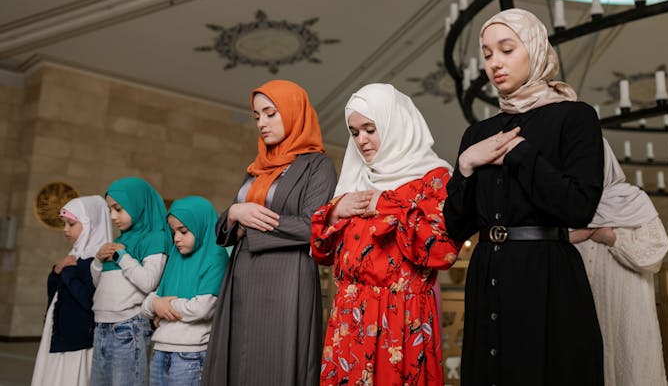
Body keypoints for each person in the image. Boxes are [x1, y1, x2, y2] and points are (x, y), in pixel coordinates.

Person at [444, 8, 605, 385]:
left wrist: (521, 154)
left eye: (506, 49)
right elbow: (454, 225)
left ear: (534, 50)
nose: (494, 63)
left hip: (547, 274)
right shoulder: (477, 134)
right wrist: (466, 165)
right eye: (487, 55)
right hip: (488, 273)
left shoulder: (575, 116)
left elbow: (579, 207)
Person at [311, 83, 459, 386]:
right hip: (350, 317)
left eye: (370, 129)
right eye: (355, 133)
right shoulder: (354, 177)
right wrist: (336, 212)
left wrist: (386, 205)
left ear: (394, 124)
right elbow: (322, 253)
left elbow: (443, 250)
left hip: (400, 319)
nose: (362, 141)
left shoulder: (434, 178)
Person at [201, 79, 337, 386]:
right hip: (242, 273)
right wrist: (235, 213)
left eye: (270, 113)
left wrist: (246, 222)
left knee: (276, 360)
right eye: (256, 116)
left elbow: (313, 225)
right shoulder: (257, 169)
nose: (262, 122)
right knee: (237, 360)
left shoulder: (317, 166)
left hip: (286, 277)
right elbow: (226, 225)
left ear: (292, 112)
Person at [570, 139, 668, 386]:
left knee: (631, 366)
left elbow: (655, 253)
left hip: (627, 307)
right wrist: (568, 237)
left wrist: (614, 239)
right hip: (580, 305)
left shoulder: (634, 201)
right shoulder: (567, 204)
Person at [91, 177, 171, 386]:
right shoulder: (119, 241)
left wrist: (121, 257)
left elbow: (148, 282)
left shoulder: (154, 238)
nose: (112, 216)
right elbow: (98, 284)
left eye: (118, 209)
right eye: (110, 210)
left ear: (137, 204)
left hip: (128, 326)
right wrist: (98, 260)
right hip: (102, 324)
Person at [143, 196, 229, 386]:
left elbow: (202, 308)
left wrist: (165, 306)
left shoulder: (215, 257)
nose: (176, 239)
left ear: (201, 226)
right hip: (160, 349)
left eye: (183, 231)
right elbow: (147, 305)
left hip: (190, 354)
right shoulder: (176, 257)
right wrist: (156, 304)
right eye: (173, 232)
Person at [31, 195, 112, 386]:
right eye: (64, 224)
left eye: (71, 224)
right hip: (59, 330)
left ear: (90, 224)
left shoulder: (97, 260)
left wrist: (67, 271)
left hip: (77, 337)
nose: (65, 230)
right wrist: (57, 271)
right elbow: (55, 292)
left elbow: (88, 299)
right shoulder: (75, 255)